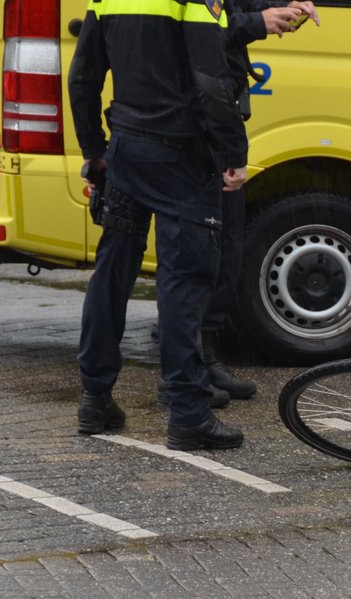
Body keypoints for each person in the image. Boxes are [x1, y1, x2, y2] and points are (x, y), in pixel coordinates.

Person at [69, 0, 249, 449]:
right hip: (181, 158)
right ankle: (188, 413)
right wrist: (233, 153)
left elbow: (83, 77)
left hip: (127, 153)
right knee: (184, 282)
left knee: (111, 274)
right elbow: (211, 83)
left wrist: (94, 148)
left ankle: (95, 399)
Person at [193, 0, 319, 402]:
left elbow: (237, 12)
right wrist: (256, 22)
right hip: (198, 128)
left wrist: (283, 10)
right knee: (199, 256)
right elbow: (198, 36)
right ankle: (185, 371)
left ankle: (205, 358)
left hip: (219, 122)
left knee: (227, 249)